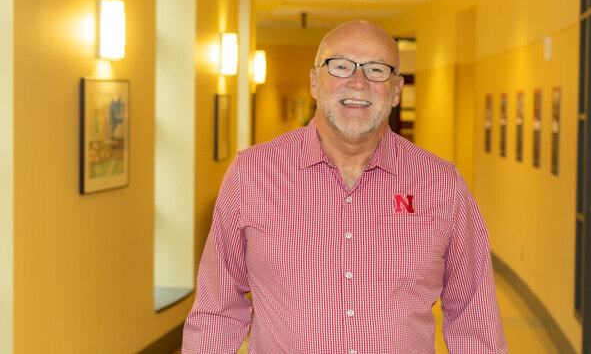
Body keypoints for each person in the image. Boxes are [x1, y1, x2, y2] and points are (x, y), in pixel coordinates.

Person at [182, 20, 507, 353]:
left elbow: (473, 319)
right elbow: (217, 311)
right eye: (340, 67)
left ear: (396, 91)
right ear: (314, 82)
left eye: (376, 70)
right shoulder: (251, 174)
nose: (357, 82)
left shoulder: (441, 184)